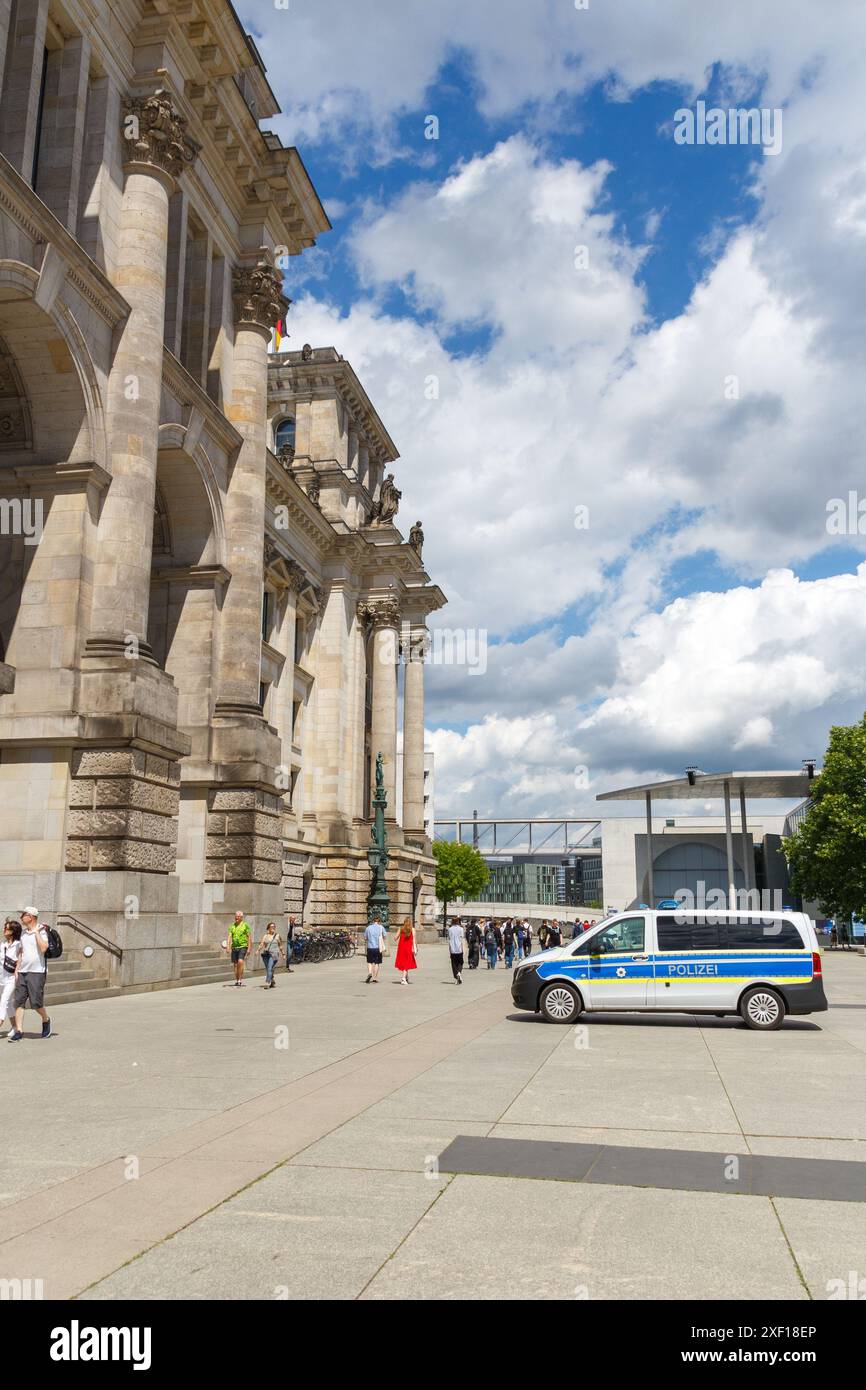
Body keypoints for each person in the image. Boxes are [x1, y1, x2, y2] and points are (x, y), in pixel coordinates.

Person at [8, 907, 51, 1042]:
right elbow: (22, 952)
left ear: (31, 916)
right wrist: (17, 969)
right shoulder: (23, 934)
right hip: (22, 972)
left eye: (23, 915)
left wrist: (37, 932)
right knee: (19, 1002)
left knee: (36, 1003)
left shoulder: (42, 930)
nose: (21, 918)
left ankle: (46, 1019)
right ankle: (19, 1031)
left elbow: (44, 948)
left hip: (37, 972)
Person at [1, 920, 22, 1036]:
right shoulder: (2, 944)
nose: (4, 930)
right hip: (1, 978)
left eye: (7, 928)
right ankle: (15, 1026)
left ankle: (0, 1021)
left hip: (11, 979)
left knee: (4, 1000)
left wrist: (17, 971)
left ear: (13, 932)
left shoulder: (19, 945)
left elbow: (21, 959)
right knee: (8, 1003)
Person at [226, 910, 252, 986]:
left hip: (243, 946)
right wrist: (228, 946)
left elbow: (249, 937)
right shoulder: (232, 926)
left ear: (241, 917)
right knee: (235, 964)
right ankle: (237, 980)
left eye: (238, 916)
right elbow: (229, 937)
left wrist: (249, 948)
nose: (236, 917)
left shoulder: (245, 925)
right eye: (235, 916)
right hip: (234, 947)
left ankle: (240, 979)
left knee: (240, 961)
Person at [257, 922, 282, 988]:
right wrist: (258, 950)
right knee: (269, 969)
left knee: (269, 967)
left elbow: (280, 945)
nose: (273, 928)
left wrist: (283, 954)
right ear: (268, 928)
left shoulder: (277, 936)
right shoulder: (265, 936)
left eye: (274, 926)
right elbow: (262, 944)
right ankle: (272, 980)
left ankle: (268, 982)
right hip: (266, 954)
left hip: (274, 954)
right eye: (271, 927)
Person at [364, 913, 387, 983]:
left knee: (370, 962)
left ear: (373, 920)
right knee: (377, 963)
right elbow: (385, 936)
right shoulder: (381, 927)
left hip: (370, 948)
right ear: (379, 921)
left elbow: (365, 938)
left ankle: (370, 973)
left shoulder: (368, 928)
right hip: (378, 948)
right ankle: (375, 978)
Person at [394, 916, 418, 984]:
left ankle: (406, 977)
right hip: (409, 949)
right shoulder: (412, 929)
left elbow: (395, 938)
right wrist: (416, 947)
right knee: (407, 963)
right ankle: (403, 979)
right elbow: (414, 940)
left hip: (401, 948)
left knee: (404, 963)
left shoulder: (401, 929)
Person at [446, 918, 465, 984]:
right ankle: (459, 973)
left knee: (454, 963)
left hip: (452, 948)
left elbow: (449, 939)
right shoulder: (461, 929)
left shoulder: (450, 929)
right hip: (459, 948)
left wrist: (449, 949)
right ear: (457, 922)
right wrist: (464, 949)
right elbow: (462, 939)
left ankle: (456, 976)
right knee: (460, 962)